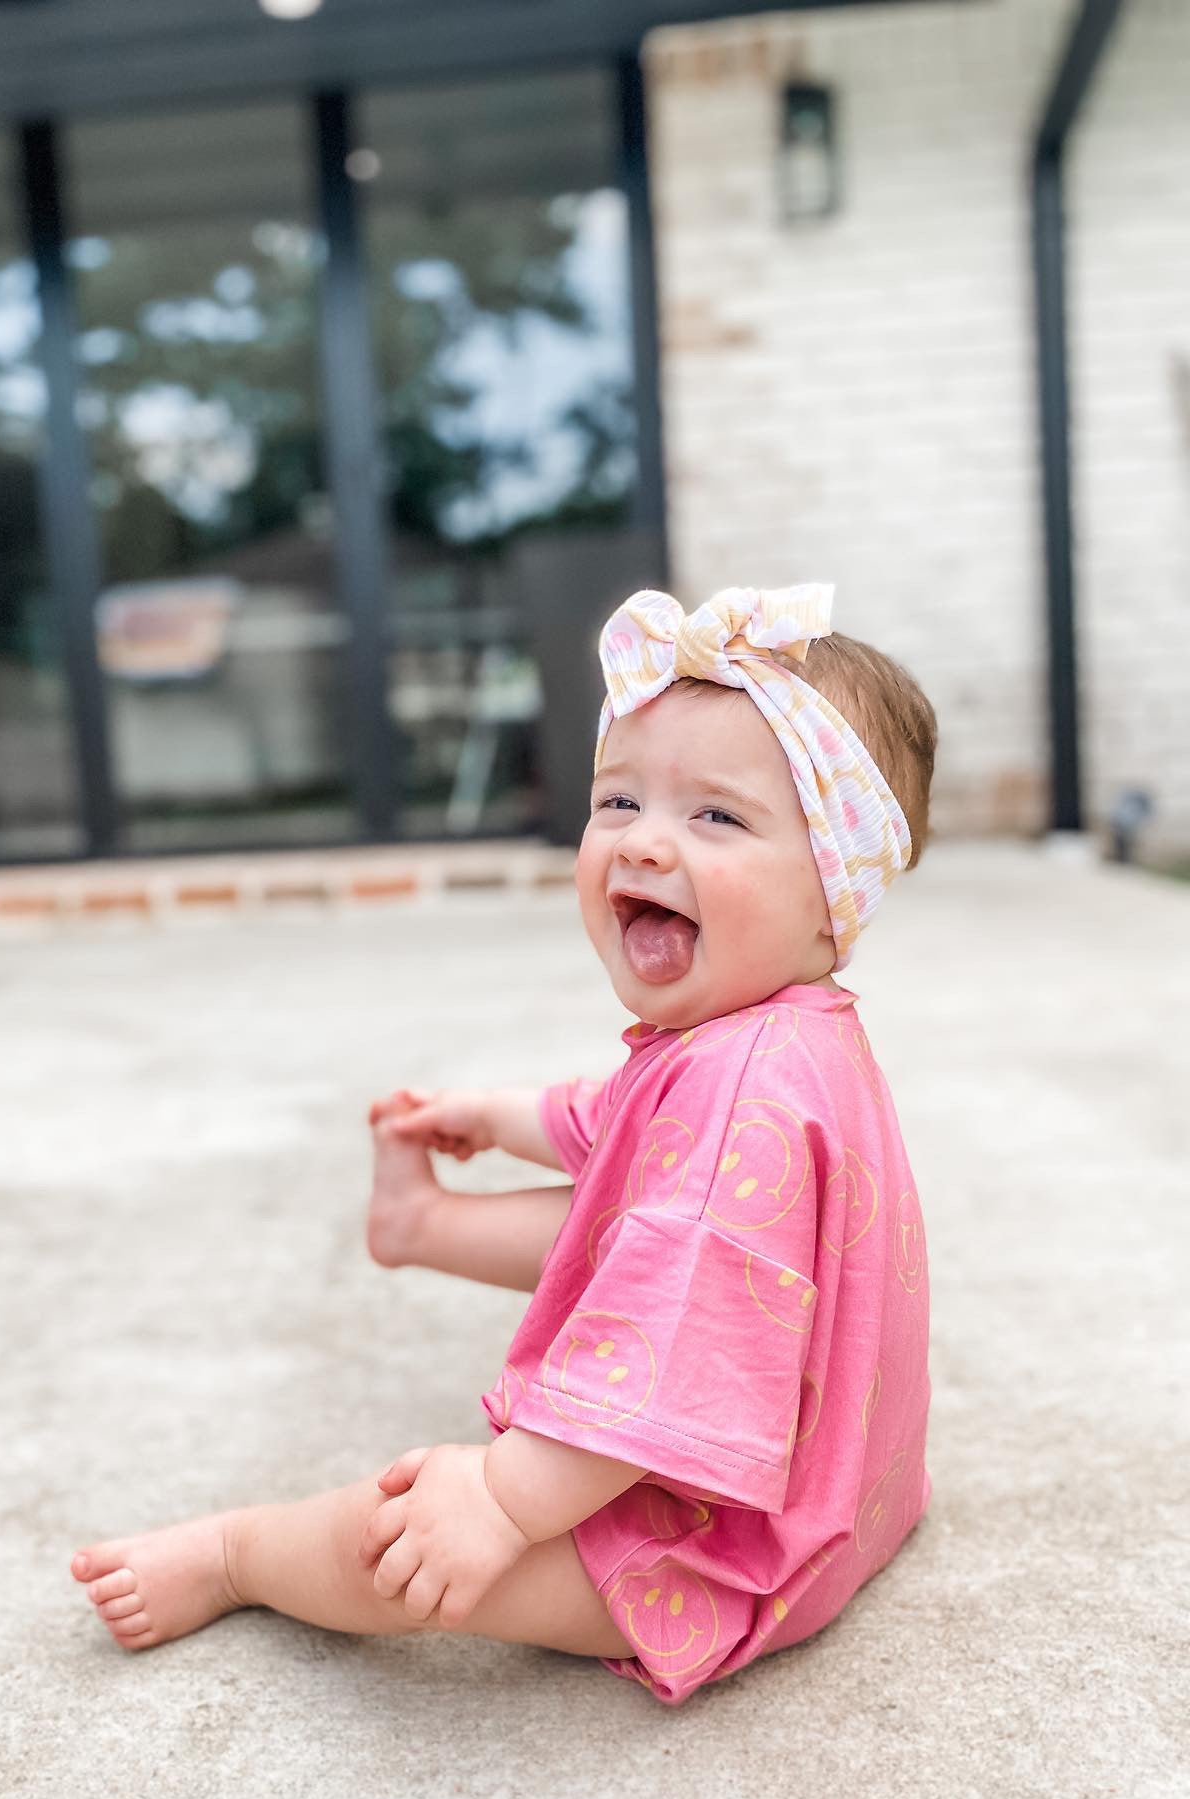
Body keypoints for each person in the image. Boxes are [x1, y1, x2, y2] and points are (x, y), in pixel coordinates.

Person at [70, 582, 938, 1706]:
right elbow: (625, 1131)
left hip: (740, 1555)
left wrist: (500, 1501)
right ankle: (423, 1224)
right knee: (632, 1221)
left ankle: (244, 1555)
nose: (645, 844)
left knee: (407, 1545)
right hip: (848, 1491)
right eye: (619, 800)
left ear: (833, 897)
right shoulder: (775, 1034)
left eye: (716, 817)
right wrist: (501, 1115)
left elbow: (670, 1351)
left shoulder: (744, 1100)